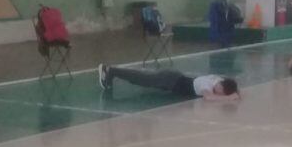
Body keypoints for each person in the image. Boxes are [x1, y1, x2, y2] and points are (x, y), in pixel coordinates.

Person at [98, 64, 240, 101]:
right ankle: (110, 70)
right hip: (170, 80)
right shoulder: (207, 85)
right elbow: (208, 97)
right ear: (220, 85)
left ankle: (112, 72)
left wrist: (233, 93)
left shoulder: (218, 79)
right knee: (142, 79)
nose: (218, 92)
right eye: (219, 90)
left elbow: (233, 88)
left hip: (173, 78)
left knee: (142, 79)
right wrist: (228, 98)